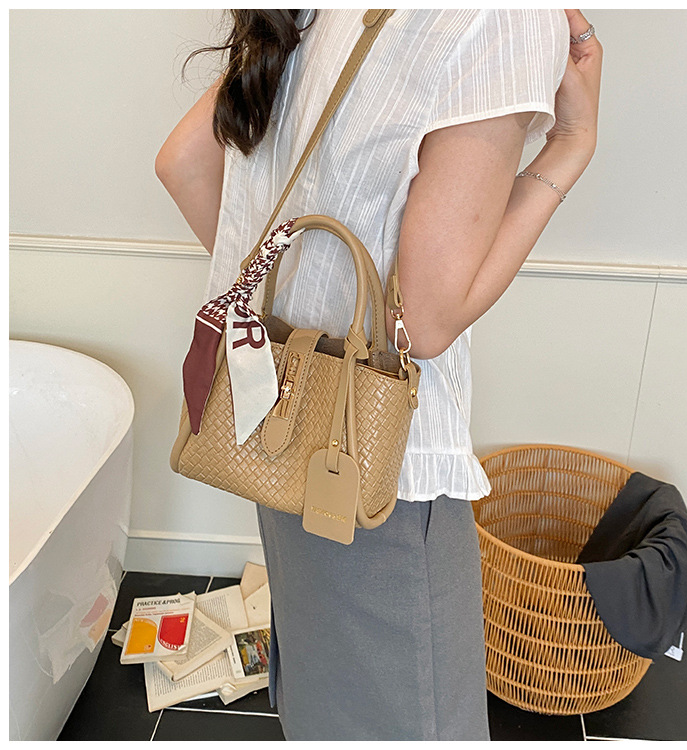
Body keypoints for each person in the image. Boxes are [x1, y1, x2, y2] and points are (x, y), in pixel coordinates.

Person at [156, 9, 602, 741]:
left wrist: (300, 340)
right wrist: (572, 144)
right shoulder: (504, 17)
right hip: (377, 469)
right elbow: (422, 324)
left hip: (275, 429)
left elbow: (184, 163)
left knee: (327, 703)